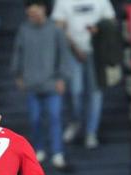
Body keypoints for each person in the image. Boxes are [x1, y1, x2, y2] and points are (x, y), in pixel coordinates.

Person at [12, 0, 69, 170]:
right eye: (30, 9)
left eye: (36, 8)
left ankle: (58, 152)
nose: (33, 12)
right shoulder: (23, 29)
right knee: (35, 119)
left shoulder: (55, 30)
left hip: (52, 83)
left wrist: (62, 78)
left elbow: (63, 55)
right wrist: (18, 74)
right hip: (32, 84)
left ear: (44, 9)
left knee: (55, 117)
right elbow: (18, 52)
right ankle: (39, 148)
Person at [52, 0, 115, 149]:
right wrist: (74, 47)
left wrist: (99, 28)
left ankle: (91, 132)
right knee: (75, 91)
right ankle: (75, 121)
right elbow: (58, 27)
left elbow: (111, 21)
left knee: (95, 92)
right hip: (72, 52)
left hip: (97, 52)